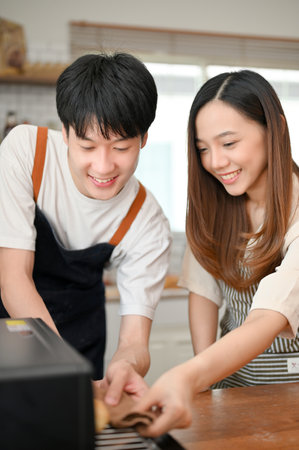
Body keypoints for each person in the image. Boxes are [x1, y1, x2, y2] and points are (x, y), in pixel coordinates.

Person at [0, 52, 171, 405]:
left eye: (121, 147)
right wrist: (62, 368)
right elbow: (13, 277)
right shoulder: (27, 152)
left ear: (143, 139)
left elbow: (135, 342)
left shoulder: (147, 220)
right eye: (87, 146)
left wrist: (126, 365)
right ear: (65, 132)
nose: (104, 166)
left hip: (81, 338)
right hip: (10, 329)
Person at [135, 69, 299, 436]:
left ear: (276, 128)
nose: (215, 162)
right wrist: (203, 381)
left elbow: (267, 318)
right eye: (203, 148)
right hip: (232, 389)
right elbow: (203, 292)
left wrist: (186, 376)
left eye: (228, 143)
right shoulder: (214, 204)